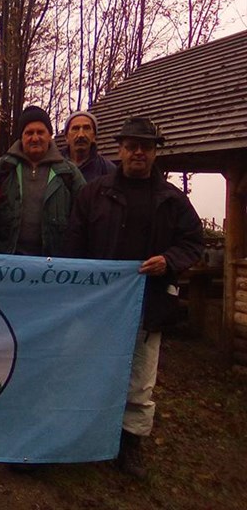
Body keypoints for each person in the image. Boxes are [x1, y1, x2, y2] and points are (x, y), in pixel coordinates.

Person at [63, 116, 203, 479]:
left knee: (140, 379)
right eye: (132, 146)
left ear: (155, 152)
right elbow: (74, 245)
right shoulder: (93, 194)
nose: (139, 152)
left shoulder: (172, 199)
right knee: (85, 367)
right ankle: (79, 432)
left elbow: (193, 242)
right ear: (120, 149)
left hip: (148, 303)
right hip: (97, 305)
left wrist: (169, 260)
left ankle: (131, 443)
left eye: (146, 147)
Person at [0, 105, 85, 256]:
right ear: (21, 137)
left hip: (52, 263)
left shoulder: (69, 173)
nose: (35, 138)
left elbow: (85, 216)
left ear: (50, 135)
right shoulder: (2, 168)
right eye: (29, 133)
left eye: (40, 132)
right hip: (7, 260)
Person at [62, 111, 116, 182]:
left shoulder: (108, 170)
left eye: (86, 128)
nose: (81, 135)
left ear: (94, 136)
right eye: (75, 129)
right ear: (66, 137)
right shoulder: (55, 168)